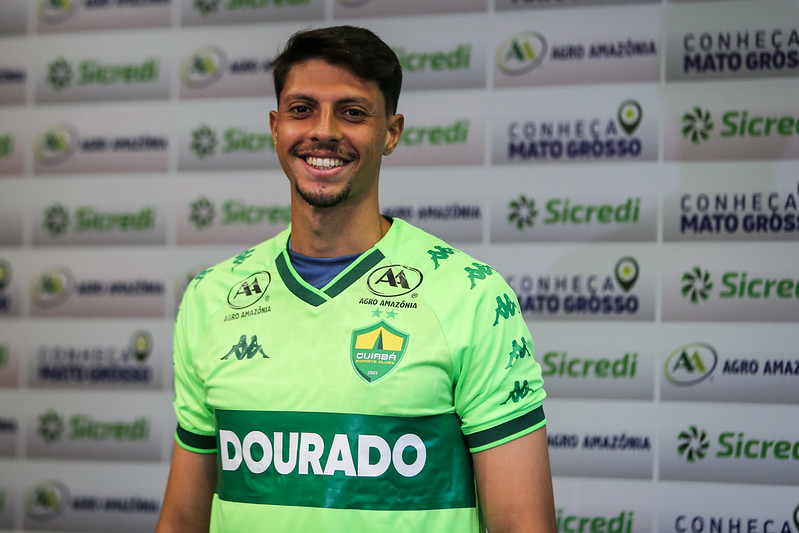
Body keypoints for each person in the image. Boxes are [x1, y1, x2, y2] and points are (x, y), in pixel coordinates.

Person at [156, 25, 556, 533]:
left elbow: (524, 523)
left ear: (391, 131)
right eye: (302, 109)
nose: (323, 131)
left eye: (352, 112)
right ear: (276, 127)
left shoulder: (471, 294)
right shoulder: (211, 297)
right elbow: (183, 518)